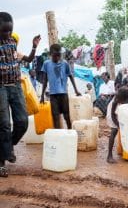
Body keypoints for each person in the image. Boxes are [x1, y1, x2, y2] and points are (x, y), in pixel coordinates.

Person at [0, 12, 41, 177]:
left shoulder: (12, 43)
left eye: (10, 31)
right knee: (3, 124)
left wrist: (34, 46)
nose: (8, 34)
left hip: (15, 85)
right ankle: (1, 161)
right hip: (1, 86)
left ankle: (7, 148)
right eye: (4, 31)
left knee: (23, 121)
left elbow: (29, 59)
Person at [40, 44, 81, 129]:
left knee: (67, 116)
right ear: (51, 54)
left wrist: (76, 90)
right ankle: (58, 135)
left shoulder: (65, 63)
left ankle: (69, 132)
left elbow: (70, 76)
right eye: (56, 55)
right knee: (55, 116)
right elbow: (45, 80)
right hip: (53, 95)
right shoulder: (46, 64)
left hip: (63, 94)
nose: (58, 57)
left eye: (59, 55)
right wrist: (42, 95)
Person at [106, 86, 128, 163]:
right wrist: (118, 125)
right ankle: (109, 155)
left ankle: (124, 150)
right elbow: (113, 115)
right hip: (112, 114)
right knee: (114, 132)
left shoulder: (126, 99)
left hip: (119, 112)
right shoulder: (115, 101)